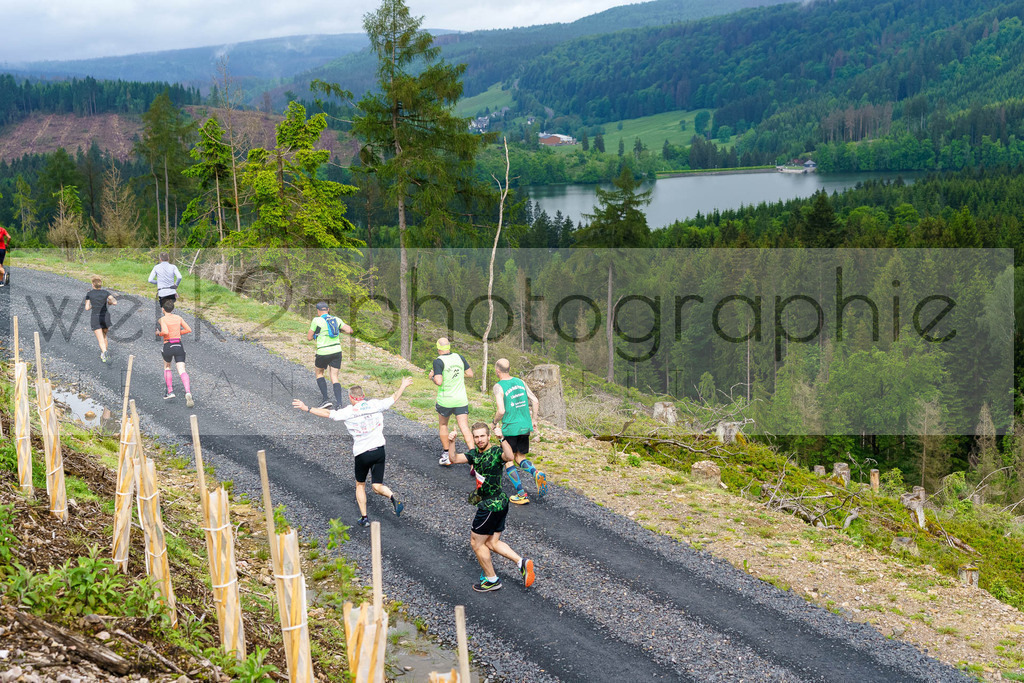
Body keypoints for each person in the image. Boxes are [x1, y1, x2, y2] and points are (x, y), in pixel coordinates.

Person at [293, 377, 413, 527]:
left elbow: (328, 414)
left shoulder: (348, 411)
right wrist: (403, 385)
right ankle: (392, 496)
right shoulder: (375, 404)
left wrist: (307, 408)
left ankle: (365, 518)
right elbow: (394, 397)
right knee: (376, 486)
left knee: (360, 485)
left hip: (362, 454)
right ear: (363, 396)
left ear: (351, 397)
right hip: (379, 450)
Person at [449, 423, 536, 593]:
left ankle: (491, 579)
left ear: (488, 437)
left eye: (482, 436)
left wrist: (502, 438)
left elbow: (510, 456)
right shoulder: (474, 454)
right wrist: (451, 441)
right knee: (491, 542)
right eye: (476, 437)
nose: (479, 439)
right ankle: (521, 562)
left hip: (491, 506)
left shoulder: (496, 452)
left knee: (476, 542)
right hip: (499, 504)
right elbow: (453, 459)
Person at [492, 358, 547, 504]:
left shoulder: (498, 386)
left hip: (510, 427)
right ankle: (536, 473)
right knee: (520, 458)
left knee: (509, 459)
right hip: (525, 426)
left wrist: (494, 422)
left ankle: (521, 494)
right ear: (509, 369)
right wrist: (534, 420)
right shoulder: (520, 382)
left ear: (497, 370)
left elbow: (501, 410)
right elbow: (535, 400)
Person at [430, 337, 475, 467]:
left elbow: (438, 381)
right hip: (461, 399)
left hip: (446, 400)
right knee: (464, 427)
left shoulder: (438, 361)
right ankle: (474, 458)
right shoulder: (459, 357)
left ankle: (446, 455)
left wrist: (432, 377)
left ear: (438, 348)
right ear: (448, 347)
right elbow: (470, 373)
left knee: (443, 425)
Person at [307, 301, 353, 409]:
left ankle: (325, 400)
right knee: (334, 376)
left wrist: (317, 335)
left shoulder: (316, 320)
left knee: (319, 373)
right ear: (328, 310)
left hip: (323, 352)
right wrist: (339, 330)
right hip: (337, 351)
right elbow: (350, 330)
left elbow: (309, 337)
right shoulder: (336, 319)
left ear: (318, 311)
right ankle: (339, 403)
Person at [158, 300, 194, 407]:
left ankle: (170, 391)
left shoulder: (162, 319)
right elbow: (188, 329)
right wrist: (178, 333)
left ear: (163, 309)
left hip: (168, 345)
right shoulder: (178, 318)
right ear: (172, 309)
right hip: (178, 345)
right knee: (182, 369)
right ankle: (188, 391)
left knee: (167, 367)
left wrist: (159, 333)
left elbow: (164, 332)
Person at [148, 253, 182, 337]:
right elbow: (179, 277)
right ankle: (174, 326)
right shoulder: (173, 267)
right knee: (170, 309)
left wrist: (158, 283)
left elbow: (150, 280)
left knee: (164, 310)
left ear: (160, 259)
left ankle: (163, 327)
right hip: (171, 292)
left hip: (162, 292)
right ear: (168, 258)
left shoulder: (156, 267)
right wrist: (176, 285)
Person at [83, 276, 117, 362]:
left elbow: (87, 308)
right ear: (100, 285)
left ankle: (105, 352)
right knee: (104, 336)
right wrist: (109, 302)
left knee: (100, 339)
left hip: (96, 317)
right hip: (105, 317)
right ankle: (103, 354)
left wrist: (92, 306)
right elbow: (114, 302)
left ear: (93, 285)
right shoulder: (106, 293)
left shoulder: (89, 294)